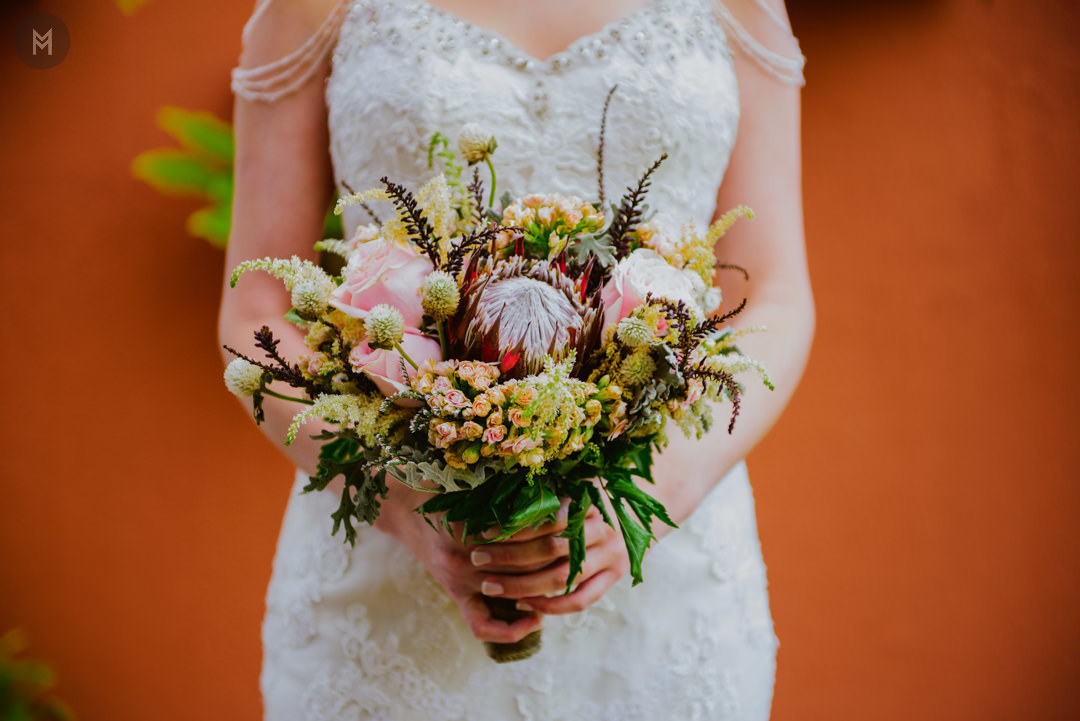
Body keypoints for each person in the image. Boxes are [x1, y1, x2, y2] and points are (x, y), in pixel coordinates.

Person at [219, 0, 814, 718]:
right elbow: (255, 311)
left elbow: (774, 292)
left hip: (665, 586)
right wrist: (405, 502)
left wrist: (654, 498)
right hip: (387, 582)